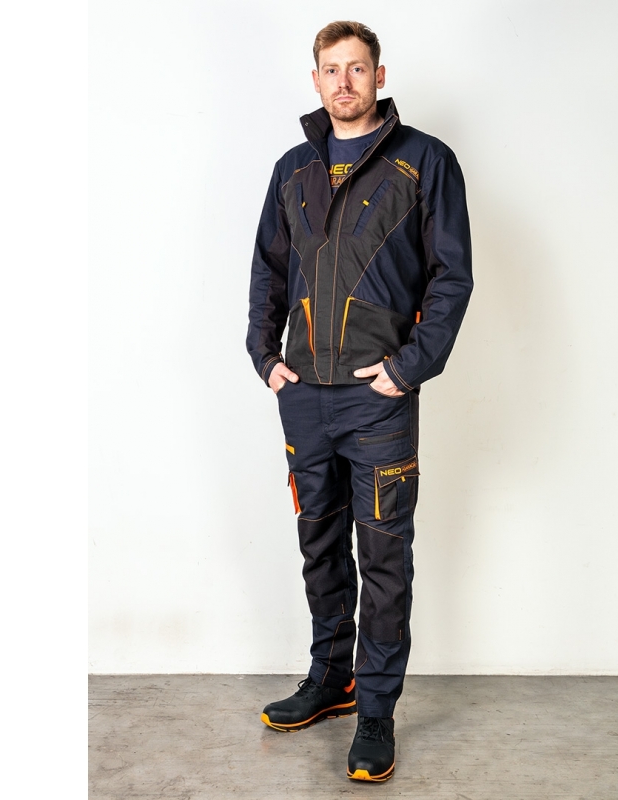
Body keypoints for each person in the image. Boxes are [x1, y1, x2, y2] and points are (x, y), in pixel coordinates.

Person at [246, 20, 472, 782]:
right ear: (315, 80)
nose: (343, 82)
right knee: (319, 545)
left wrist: (408, 368)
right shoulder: (293, 169)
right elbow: (268, 270)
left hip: (378, 400)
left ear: (379, 75)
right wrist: (266, 358)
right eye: (331, 69)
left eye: (357, 68)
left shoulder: (424, 162)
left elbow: (452, 278)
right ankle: (331, 678)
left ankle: (375, 711)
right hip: (305, 396)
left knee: (382, 558)